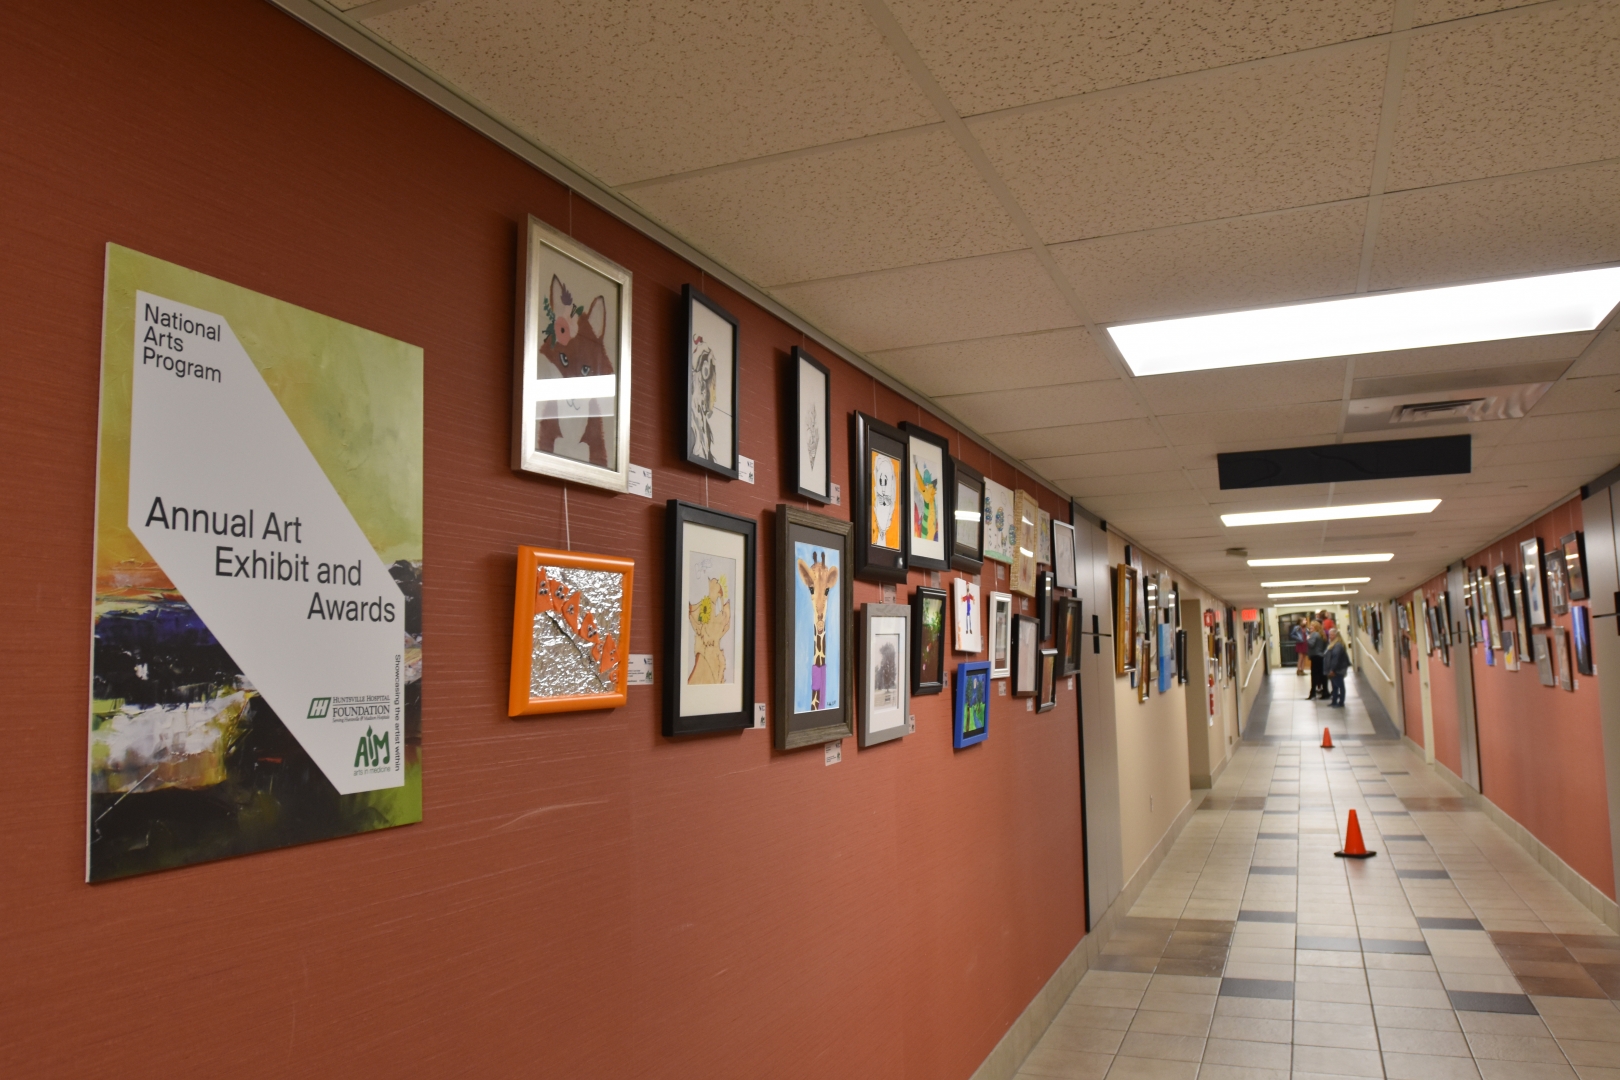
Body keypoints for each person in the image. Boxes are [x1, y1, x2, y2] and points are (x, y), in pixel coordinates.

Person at [1323, 627, 1350, 707]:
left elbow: (1336, 659)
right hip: (1333, 669)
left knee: (1340, 686)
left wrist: (1332, 670)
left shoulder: (1338, 645)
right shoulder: (1332, 644)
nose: (1330, 636)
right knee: (1334, 686)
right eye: (1329, 635)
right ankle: (1334, 701)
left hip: (1337, 669)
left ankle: (1341, 702)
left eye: (1331, 635)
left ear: (1336, 635)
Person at [1306, 620, 1327, 700]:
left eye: (1312, 625)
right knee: (1322, 675)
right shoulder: (1321, 634)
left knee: (1314, 676)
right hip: (1320, 657)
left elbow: (1311, 644)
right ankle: (1325, 692)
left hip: (1315, 657)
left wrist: (1308, 638)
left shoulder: (1314, 634)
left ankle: (1313, 693)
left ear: (1315, 627)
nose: (1310, 627)